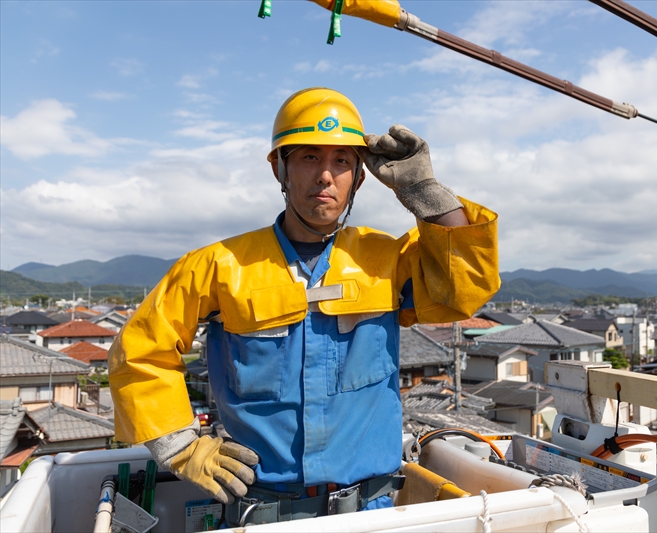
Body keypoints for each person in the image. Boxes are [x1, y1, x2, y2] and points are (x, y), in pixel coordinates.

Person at [109, 87, 500, 525]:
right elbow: (140, 353)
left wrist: (424, 191)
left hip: (372, 513)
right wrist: (183, 448)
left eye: (342, 162)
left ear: (360, 175)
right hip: (261, 512)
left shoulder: (387, 259)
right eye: (309, 157)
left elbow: (465, 290)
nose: (325, 176)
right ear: (280, 168)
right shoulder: (218, 266)